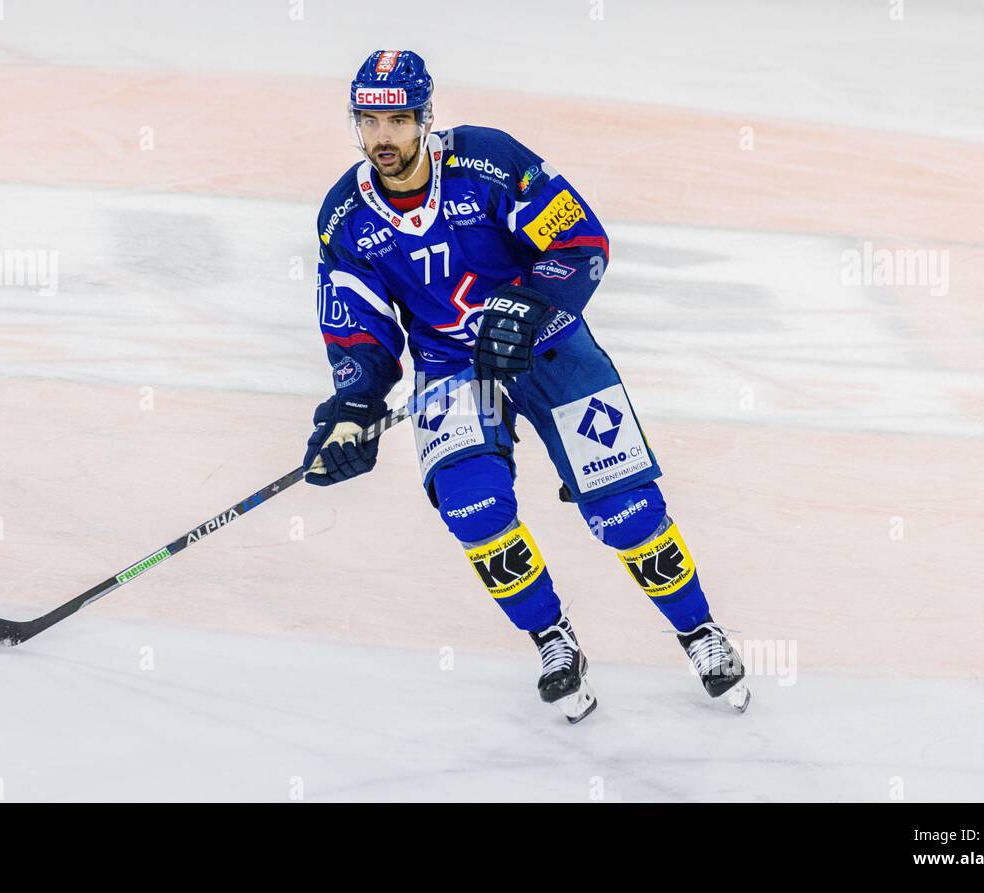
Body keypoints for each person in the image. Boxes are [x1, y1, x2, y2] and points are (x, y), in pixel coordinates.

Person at [303, 49, 749, 722]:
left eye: (396, 120)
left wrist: (528, 304)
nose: (382, 137)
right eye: (368, 120)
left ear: (426, 118)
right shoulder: (347, 218)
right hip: (454, 367)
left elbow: (580, 242)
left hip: (550, 343)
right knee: (472, 506)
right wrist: (353, 407)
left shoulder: (489, 163)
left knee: (625, 510)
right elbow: (359, 326)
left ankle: (699, 631)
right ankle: (552, 637)